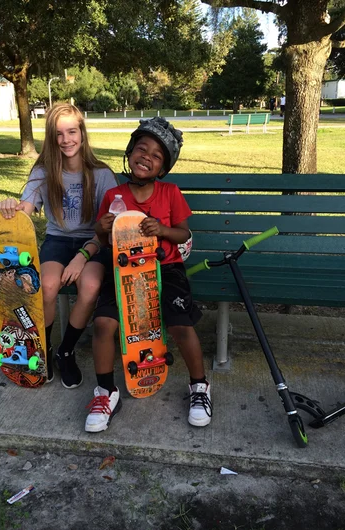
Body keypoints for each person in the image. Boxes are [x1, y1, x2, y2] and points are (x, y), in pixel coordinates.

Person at [84, 117, 213, 433]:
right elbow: (105, 240)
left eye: (156, 155)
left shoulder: (169, 192)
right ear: (129, 153)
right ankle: (105, 392)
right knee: (103, 324)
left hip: (166, 270)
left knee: (180, 323)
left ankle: (200, 387)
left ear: (163, 168)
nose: (147, 156)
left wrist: (163, 229)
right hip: (125, 272)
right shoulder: (114, 195)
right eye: (141, 149)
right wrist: (102, 230)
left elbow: (183, 235)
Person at [0, 103, 117, 389]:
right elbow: (27, 206)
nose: (66, 140)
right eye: (58, 134)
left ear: (82, 134)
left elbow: (106, 228)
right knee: (47, 285)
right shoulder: (44, 171)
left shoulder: (101, 174)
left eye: (72, 131)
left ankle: (66, 350)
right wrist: (13, 206)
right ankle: (43, 349)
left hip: (93, 242)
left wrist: (81, 258)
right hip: (57, 240)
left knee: (89, 286)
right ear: (51, 138)